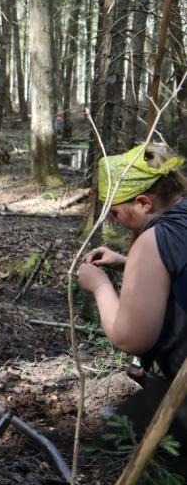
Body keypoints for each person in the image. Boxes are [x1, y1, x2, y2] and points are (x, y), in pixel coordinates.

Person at [77, 143, 187, 462]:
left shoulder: (154, 240)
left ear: (142, 203)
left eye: (115, 213)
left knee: (113, 439)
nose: (115, 221)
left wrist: (99, 287)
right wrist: (129, 263)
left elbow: (130, 337)